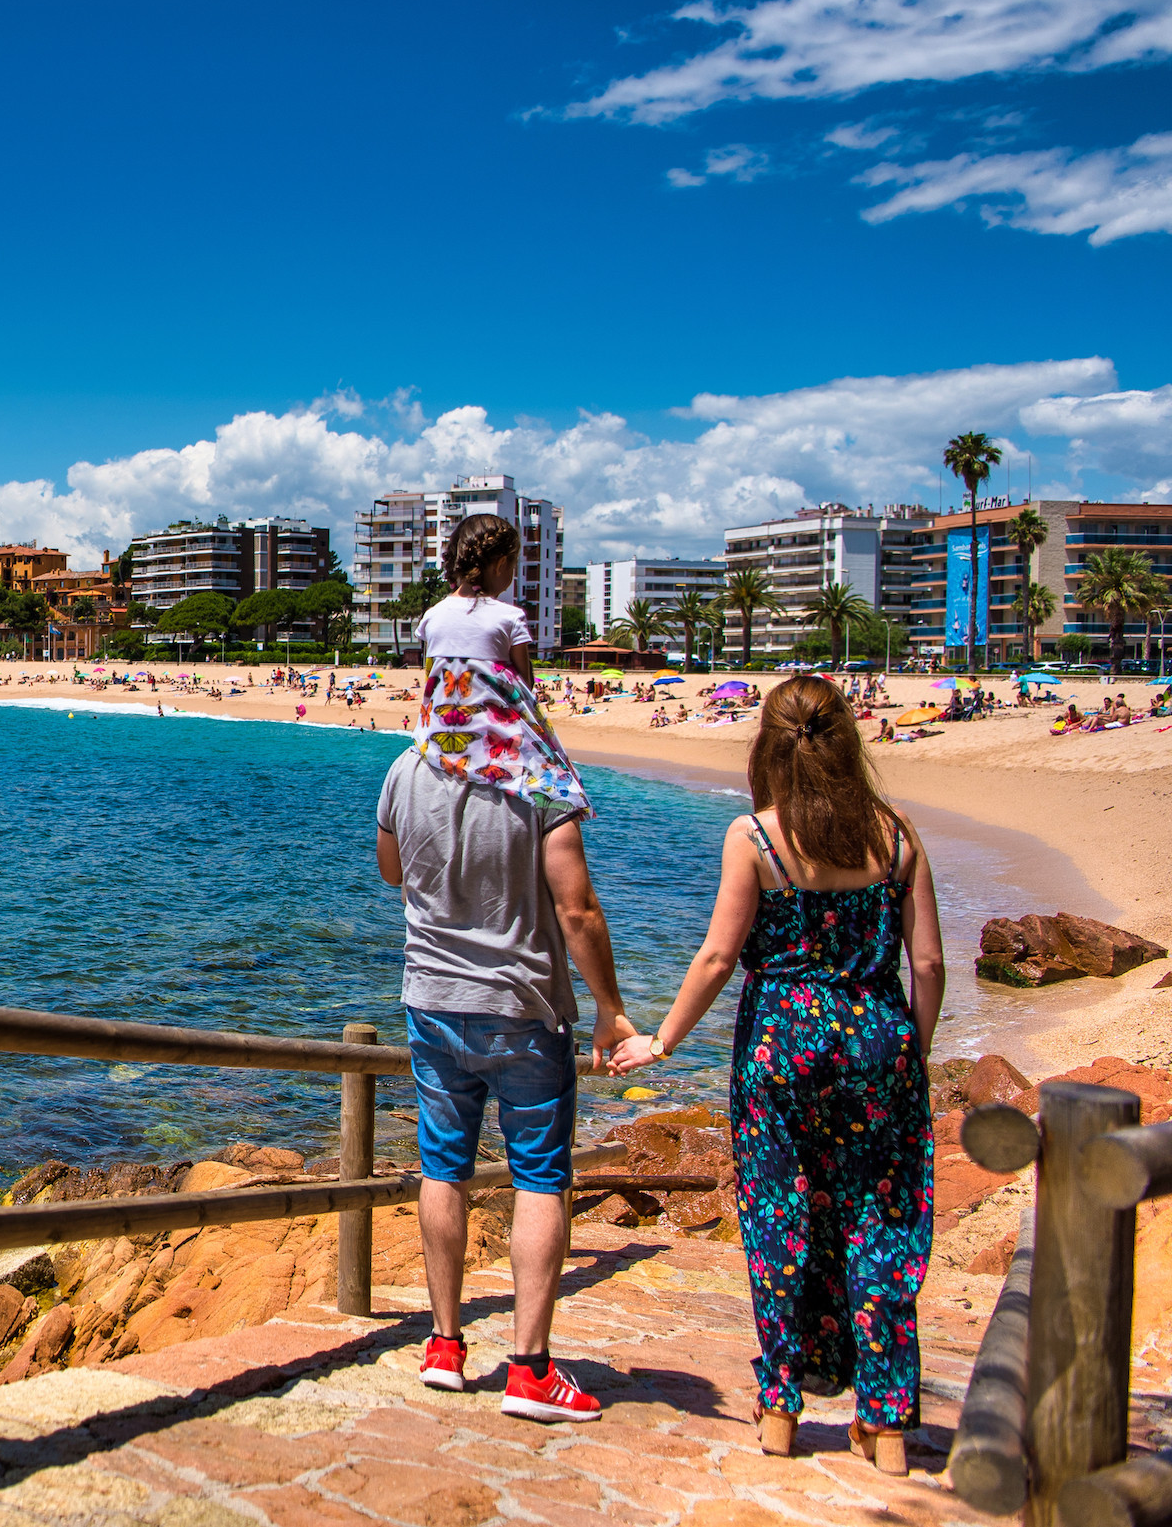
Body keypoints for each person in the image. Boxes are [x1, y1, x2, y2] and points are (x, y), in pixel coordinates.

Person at [608, 676, 942, 1473]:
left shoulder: (756, 836)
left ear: (769, 745)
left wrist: (662, 1040)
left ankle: (783, 1408)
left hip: (781, 1047)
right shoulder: (896, 835)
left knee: (780, 1215)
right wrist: (912, 1055)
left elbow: (719, 956)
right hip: (878, 1040)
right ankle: (886, 1422)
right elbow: (927, 962)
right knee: (880, 1219)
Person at [376, 722, 636, 1424]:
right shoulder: (540, 771)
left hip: (432, 999)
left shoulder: (408, 766)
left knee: (442, 1168)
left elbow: (392, 870)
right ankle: (529, 1370)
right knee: (540, 1178)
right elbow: (576, 907)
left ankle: (443, 1345)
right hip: (523, 1007)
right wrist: (610, 1009)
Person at [412, 514, 589, 816]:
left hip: (438, 736)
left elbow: (432, 676)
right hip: (495, 739)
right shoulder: (510, 617)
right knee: (564, 791)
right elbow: (524, 684)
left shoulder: (432, 615)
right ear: (501, 564)